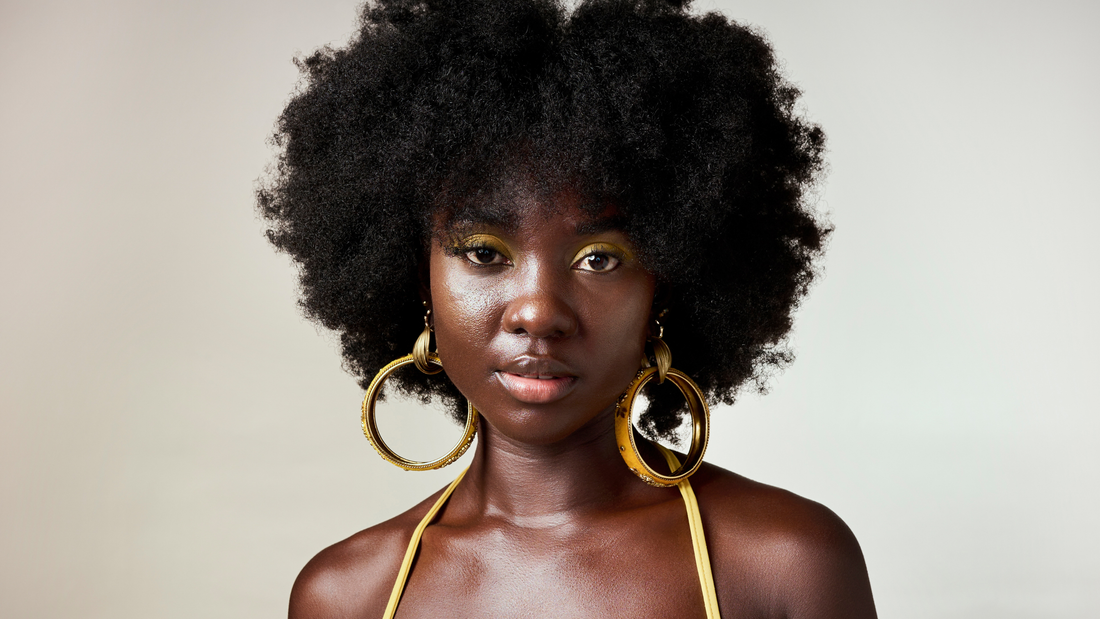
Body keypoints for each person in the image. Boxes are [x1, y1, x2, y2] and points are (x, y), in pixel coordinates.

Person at [257, 0, 877, 616]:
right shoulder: (345, 596)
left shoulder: (785, 565)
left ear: (665, 284)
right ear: (417, 278)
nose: (537, 312)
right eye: (482, 252)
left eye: (600, 258)